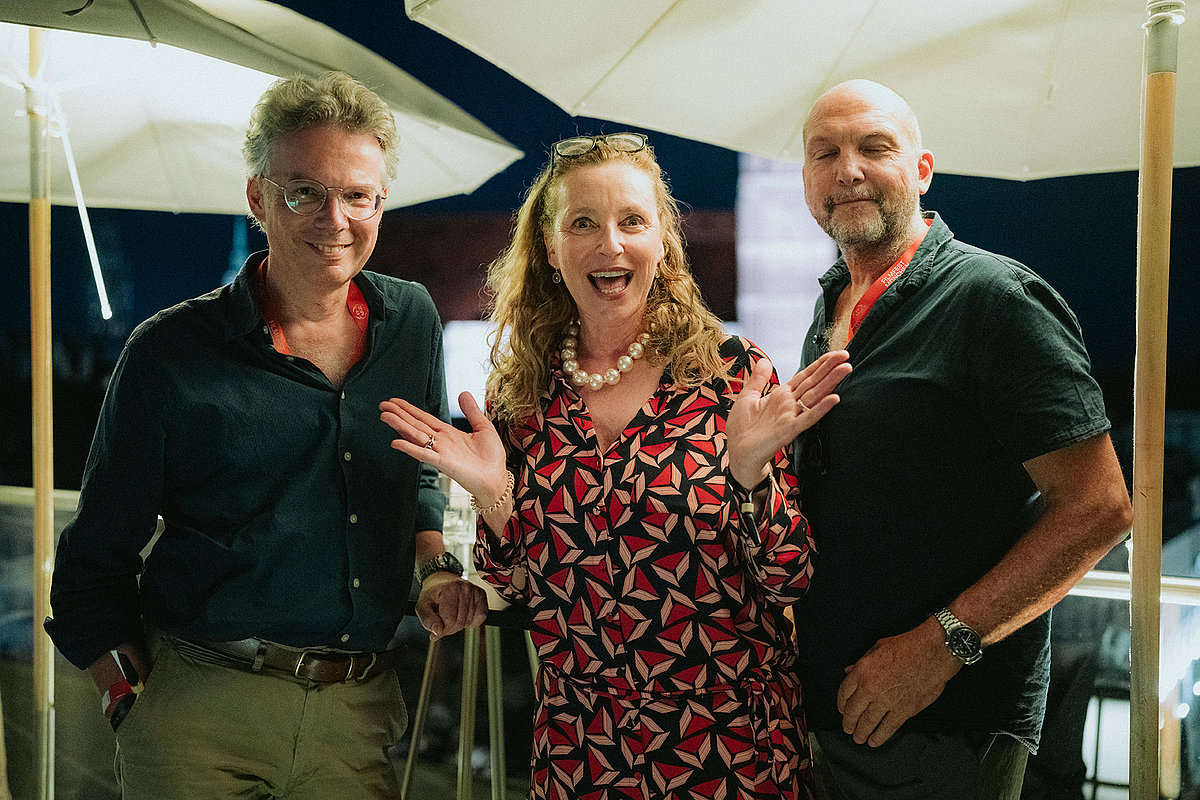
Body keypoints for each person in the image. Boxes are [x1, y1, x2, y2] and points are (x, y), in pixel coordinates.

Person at [44, 71, 486, 800]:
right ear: (257, 197)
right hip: (200, 713)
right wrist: (128, 697)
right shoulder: (169, 351)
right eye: (304, 192)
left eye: (358, 196)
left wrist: (435, 569)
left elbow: (416, 475)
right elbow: (95, 556)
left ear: (381, 201)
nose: (335, 219)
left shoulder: (410, 321)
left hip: (357, 713)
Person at [380, 132, 851, 799]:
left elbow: (788, 578)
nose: (611, 245)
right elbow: (517, 586)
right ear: (549, 249)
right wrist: (492, 493)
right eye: (583, 223)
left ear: (662, 241)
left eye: (632, 221)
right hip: (582, 746)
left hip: (729, 744)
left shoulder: (731, 375)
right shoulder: (521, 397)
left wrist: (750, 477)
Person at [790, 79, 1134, 800]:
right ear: (807, 180)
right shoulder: (833, 307)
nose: (847, 169)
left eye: (874, 147)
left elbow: (1098, 508)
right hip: (828, 714)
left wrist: (940, 646)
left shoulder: (994, 299)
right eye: (825, 153)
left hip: (943, 728)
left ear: (922, 170)